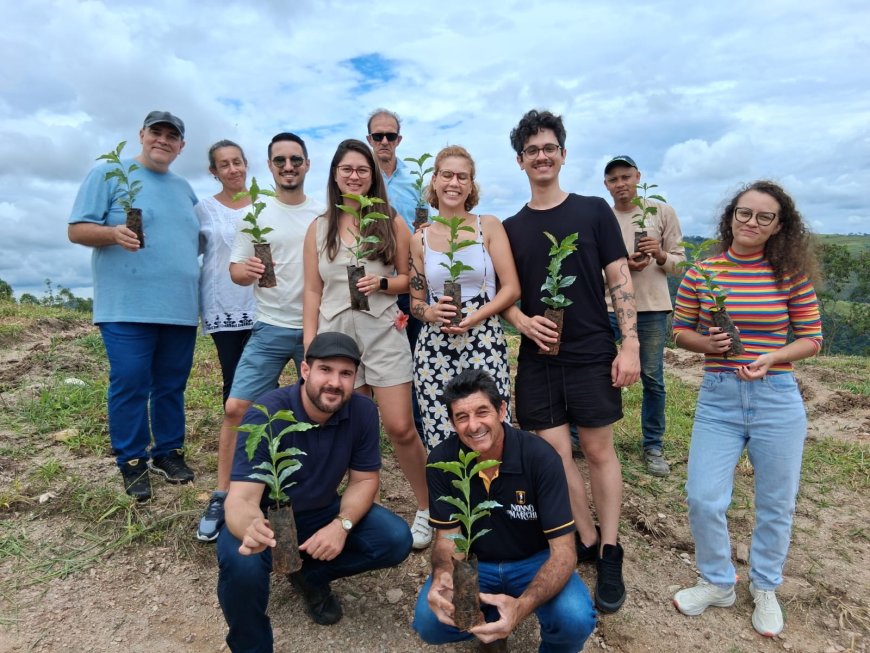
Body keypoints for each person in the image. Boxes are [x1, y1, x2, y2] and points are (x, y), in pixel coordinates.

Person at [501, 109, 640, 614]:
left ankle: (610, 550)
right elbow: (505, 294)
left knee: (599, 451)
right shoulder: (511, 227)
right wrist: (519, 320)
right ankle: (583, 536)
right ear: (520, 161)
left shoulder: (592, 211)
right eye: (532, 150)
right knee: (557, 457)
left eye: (549, 147)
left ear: (563, 153)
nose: (542, 156)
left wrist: (630, 343)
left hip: (590, 353)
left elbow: (619, 277)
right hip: (538, 359)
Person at [671, 181, 823, 637]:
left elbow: (812, 338)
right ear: (730, 216)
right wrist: (707, 342)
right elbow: (680, 331)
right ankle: (718, 581)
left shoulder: (789, 275)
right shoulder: (704, 272)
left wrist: (774, 357)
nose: (751, 223)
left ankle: (765, 586)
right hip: (718, 396)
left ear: (779, 226)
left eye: (764, 217)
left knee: (776, 502)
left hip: (776, 395)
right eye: (744, 213)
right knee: (703, 496)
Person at [217, 332, 413, 650]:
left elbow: (364, 481)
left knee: (394, 539)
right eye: (325, 370)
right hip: (268, 520)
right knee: (242, 566)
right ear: (305, 370)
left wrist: (342, 525)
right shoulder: (267, 415)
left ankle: (310, 576)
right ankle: (251, 645)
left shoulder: (362, 412)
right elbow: (240, 498)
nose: (335, 382)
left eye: (346, 373)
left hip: (322, 511)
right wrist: (251, 528)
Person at [302, 138, 432, 549]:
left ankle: (430, 509)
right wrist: (311, 347)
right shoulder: (319, 227)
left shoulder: (389, 220)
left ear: (373, 176)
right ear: (335, 175)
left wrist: (380, 283)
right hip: (336, 339)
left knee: (399, 426)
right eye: (347, 170)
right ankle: (356, 510)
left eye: (362, 170)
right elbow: (311, 291)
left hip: (382, 330)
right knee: (349, 428)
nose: (354, 176)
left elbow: (412, 280)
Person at [197, 132, 324, 542]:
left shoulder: (322, 213)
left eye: (295, 160)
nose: (288, 167)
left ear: (306, 164)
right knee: (237, 407)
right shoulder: (255, 214)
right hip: (269, 325)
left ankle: (318, 496)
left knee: (321, 412)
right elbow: (235, 269)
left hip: (315, 326)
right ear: (269, 166)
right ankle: (224, 492)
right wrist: (244, 271)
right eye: (280, 161)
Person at [413, 369, 596, 652]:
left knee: (574, 619)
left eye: (482, 412)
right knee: (429, 623)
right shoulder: (442, 461)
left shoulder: (540, 457)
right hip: (476, 565)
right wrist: (443, 573)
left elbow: (563, 551)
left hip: (533, 561)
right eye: (462, 417)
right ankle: (489, 629)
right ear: (451, 423)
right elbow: (448, 539)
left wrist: (521, 608)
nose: (473, 426)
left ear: (501, 410)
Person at [68, 110, 198, 501]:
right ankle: (131, 460)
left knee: (171, 385)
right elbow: (76, 229)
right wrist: (111, 233)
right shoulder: (109, 175)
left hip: (179, 308)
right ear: (142, 135)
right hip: (126, 306)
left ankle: (168, 452)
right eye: (156, 132)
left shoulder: (185, 189)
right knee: (129, 381)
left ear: (181, 145)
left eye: (171, 136)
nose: (163, 140)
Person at [408, 145, 520, 450]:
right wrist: (430, 313)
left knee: (490, 428)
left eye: (462, 177)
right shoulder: (420, 238)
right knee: (441, 432)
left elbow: (511, 287)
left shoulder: (489, 226)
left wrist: (478, 315)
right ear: (434, 180)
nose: (453, 183)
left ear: (471, 185)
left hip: (483, 340)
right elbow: (416, 300)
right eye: (447, 175)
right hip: (435, 349)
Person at [603, 155, 686, 477]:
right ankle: (592, 437)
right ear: (606, 185)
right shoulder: (604, 218)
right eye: (613, 180)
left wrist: (661, 254)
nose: (621, 184)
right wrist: (621, 266)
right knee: (599, 372)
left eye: (626, 177)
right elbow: (592, 268)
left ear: (638, 177)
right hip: (608, 307)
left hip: (651, 307)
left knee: (652, 377)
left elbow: (679, 263)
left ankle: (653, 444)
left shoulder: (661, 212)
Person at [195, 140, 258, 540]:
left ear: (247, 165)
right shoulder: (203, 209)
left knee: (278, 386)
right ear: (213, 171)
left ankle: (273, 465)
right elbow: (191, 252)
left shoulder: (264, 204)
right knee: (235, 388)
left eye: (237, 162)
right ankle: (234, 477)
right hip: (224, 305)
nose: (232, 169)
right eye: (224, 165)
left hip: (266, 304)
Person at [366, 108, 425, 434]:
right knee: (374, 347)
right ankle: (375, 422)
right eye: (378, 136)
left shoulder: (414, 180)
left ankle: (413, 423)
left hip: (409, 277)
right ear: (369, 139)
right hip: (371, 278)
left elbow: (427, 223)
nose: (384, 141)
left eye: (390, 136)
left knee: (413, 347)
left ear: (399, 140)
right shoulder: (361, 175)